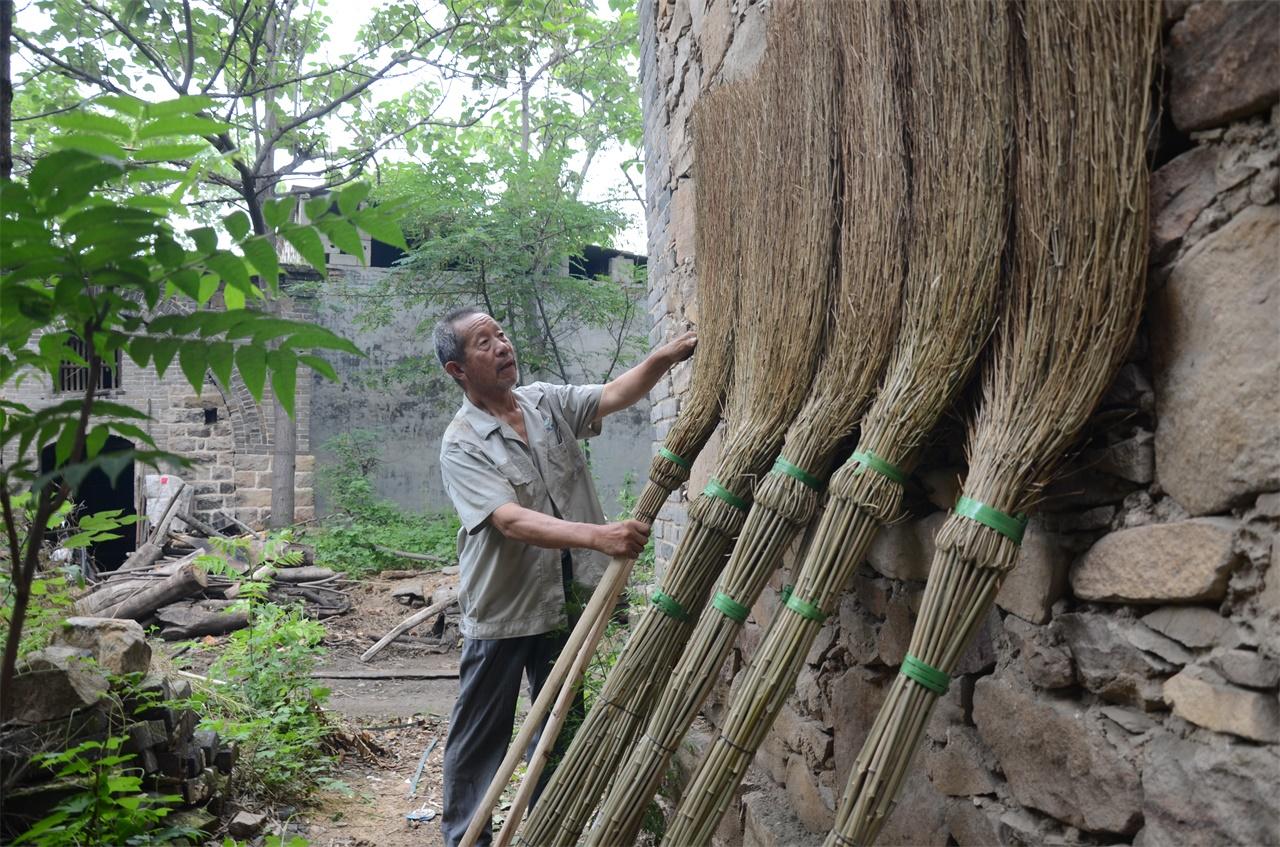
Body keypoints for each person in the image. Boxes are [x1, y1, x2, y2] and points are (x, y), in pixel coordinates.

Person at [434, 306, 697, 847]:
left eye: (501, 334)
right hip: (506, 606)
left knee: (559, 721)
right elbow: (508, 520)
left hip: (564, 601)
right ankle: (466, 837)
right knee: (482, 732)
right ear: (458, 370)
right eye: (484, 342)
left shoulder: (543, 403)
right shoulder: (461, 441)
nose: (503, 346)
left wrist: (663, 358)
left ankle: (552, 828)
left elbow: (612, 395)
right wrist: (598, 536)